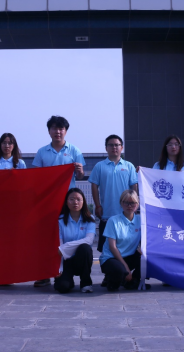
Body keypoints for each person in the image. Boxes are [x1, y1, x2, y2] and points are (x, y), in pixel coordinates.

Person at [32, 116, 86, 288]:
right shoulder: (42, 152)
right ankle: (45, 273)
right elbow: (36, 177)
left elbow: (80, 176)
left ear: (66, 131)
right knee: (47, 238)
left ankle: (64, 271)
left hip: (68, 202)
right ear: (49, 131)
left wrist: (79, 170)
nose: (58, 131)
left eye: (61, 128)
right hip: (48, 202)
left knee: (65, 236)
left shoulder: (74, 150)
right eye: (54, 128)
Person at [89, 135, 138, 256]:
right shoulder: (99, 166)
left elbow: (134, 186)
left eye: (117, 145)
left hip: (126, 214)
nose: (114, 147)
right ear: (106, 148)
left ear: (122, 147)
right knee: (106, 249)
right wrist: (98, 205)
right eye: (111, 145)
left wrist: (135, 205)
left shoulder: (129, 166)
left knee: (127, 248)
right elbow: (94, 186)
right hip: (107, 213)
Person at [100, 190, 148, 291]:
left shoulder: (141, 220)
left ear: (138, 204)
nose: (129, 205)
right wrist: (125, 267)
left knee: (148, 257)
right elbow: (112, 247)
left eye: (133, 203)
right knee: (119, 274)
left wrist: (142, 248)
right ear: (121, 203)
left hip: (130, 256)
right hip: (112, 258)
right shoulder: (113, 220)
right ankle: (112, 279)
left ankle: (134, 280)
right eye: (126, 202)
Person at [54, 188, 96, 294]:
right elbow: (59, 246)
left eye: (78, 199)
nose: (75, 202)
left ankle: (86, 283)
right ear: (66, 202)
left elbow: (89, 240)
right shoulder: (60, 220)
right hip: (66, 260)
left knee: (85, 248)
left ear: (83, 202)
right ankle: (68, 281)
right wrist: (58, 269)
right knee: (62, 287)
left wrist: (66, 247)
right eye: (71, 199)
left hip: (81, 259)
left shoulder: (90, 219)